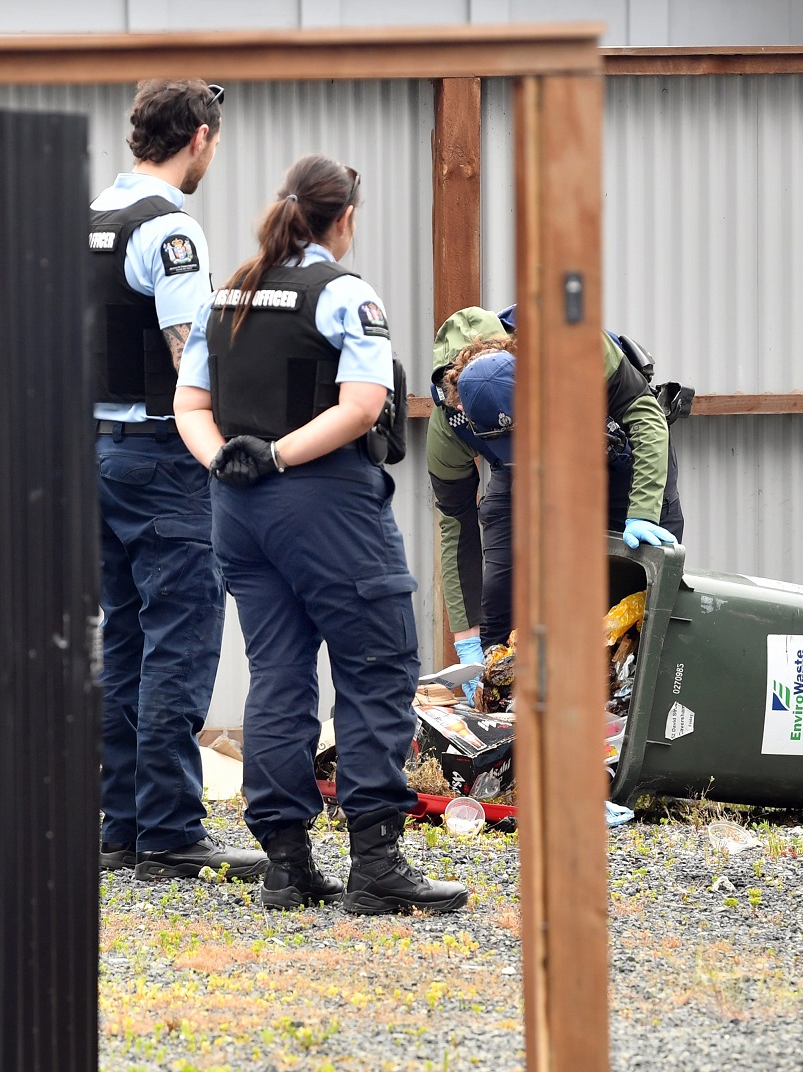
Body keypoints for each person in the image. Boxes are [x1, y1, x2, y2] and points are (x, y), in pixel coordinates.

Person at [175, 154, 467, 915]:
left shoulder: (226, 296)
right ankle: (375, 867)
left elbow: (190, 406)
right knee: (376, 667)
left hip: (236, 510)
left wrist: (228, 463)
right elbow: (364, 405)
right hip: (322, 505)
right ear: (343, 219)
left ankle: (287, 866)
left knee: (277, 674)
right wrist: (276, 455)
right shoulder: (342, 291)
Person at [91, 80, 266, 881]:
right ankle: (168, 832)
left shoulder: (90, 217)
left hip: (94, 453)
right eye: (215, 143)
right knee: (180, 643)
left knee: (123, 638)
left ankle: (121, 826)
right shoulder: (169, 231)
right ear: (199, 136)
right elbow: (188, 352)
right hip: (163, 459)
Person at [427, 306, 685, 671]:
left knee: (628, 597)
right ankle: (502, 699)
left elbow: (643, 414)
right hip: (520, 475)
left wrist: (642, 510)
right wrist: (465, 638)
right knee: (501, 595)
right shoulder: (448, 427)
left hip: (614, 451)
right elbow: (457, 527)